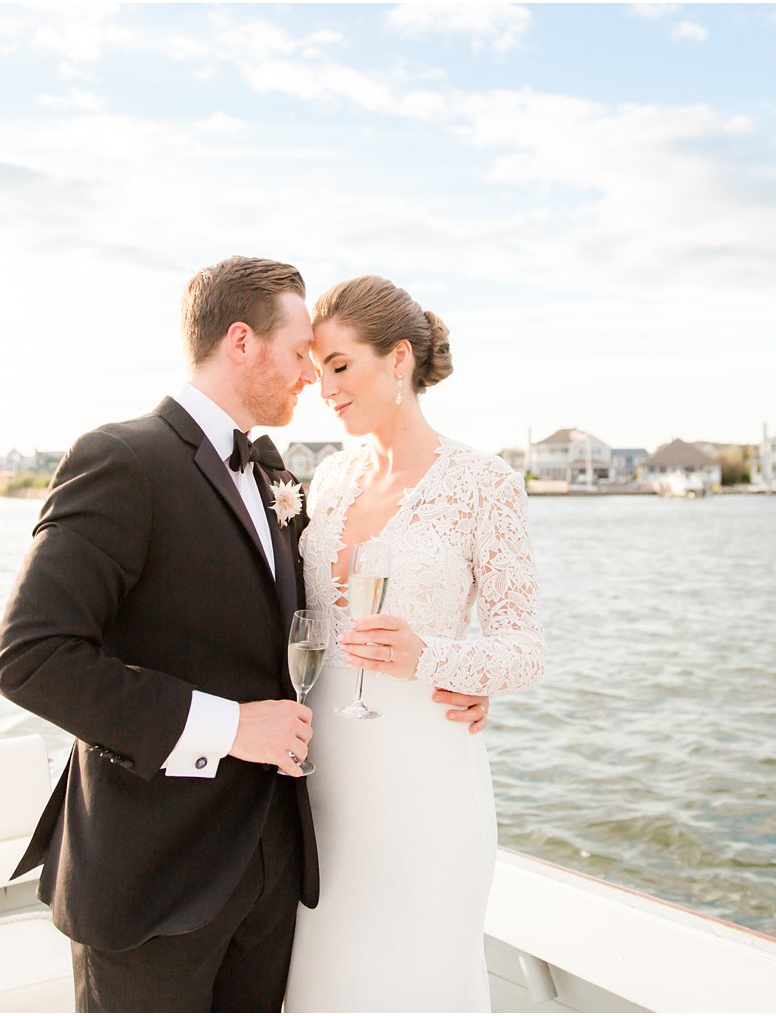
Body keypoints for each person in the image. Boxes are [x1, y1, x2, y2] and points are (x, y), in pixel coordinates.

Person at [0, 256, 489, 1012]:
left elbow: (309, 626)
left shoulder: (275, 474)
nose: (311, 382)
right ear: (240, 343)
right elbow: (31, 658)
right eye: (300, 356)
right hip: (152, 876)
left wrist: (453, 675)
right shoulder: (122, 458)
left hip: (271, 881)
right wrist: (230, 728)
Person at [284, 274, 545, 1012]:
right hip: (319, 784)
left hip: (422, 780)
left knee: (417, 977)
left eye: (341, 367)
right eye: (318, 371)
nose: (325, 389)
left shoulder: (483, 483)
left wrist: (430, 657)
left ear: (398, 360)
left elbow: (523, 648)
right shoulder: (329, 479)